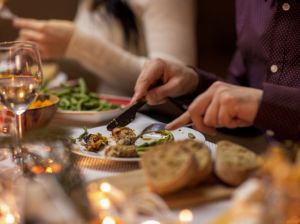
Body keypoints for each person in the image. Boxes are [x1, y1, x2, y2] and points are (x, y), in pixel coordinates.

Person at [132, 0, 300, 141]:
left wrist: (266, 106)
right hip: (276, 170)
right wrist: (192, 84)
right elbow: (243, 105)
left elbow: (258, 104)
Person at [13, 0, 196, 96]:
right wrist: (50, 49)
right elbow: (93, 66)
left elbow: (171, 82)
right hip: (104, 120)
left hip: (152, 126)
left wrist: (74, 44)